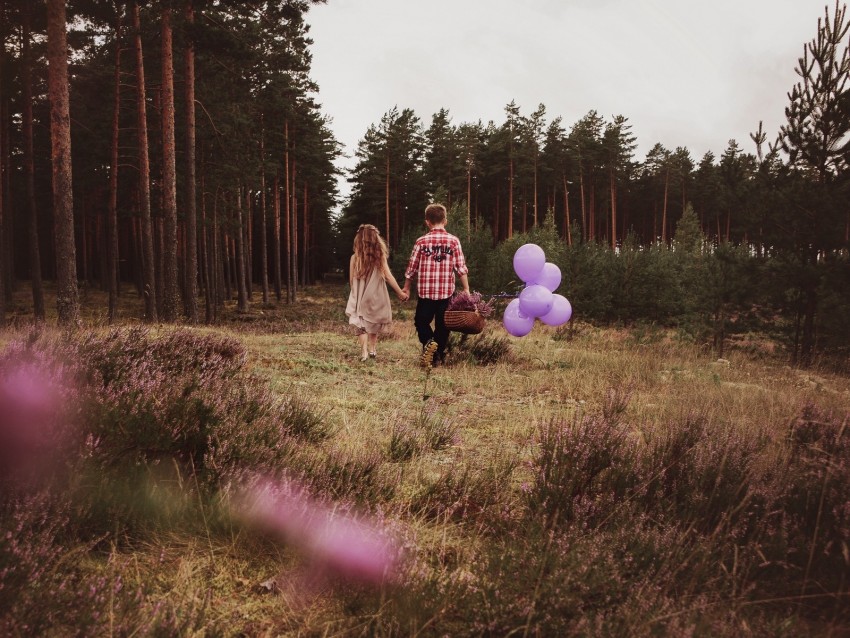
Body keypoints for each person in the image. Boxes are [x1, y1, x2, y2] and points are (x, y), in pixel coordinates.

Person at [402, 203, 470, 367]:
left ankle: (429, 345)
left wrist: (406, 287)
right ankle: (437, 355)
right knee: (443, 325)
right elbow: (460, 267)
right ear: (445, 220)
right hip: (446, 293)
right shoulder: (453, 241)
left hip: (425, 293)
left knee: (421, 322)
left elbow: (412, 267)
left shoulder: (421, 242)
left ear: (427, 222)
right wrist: (466, 289)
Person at [345, 224, 408, 361]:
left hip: (359, 294)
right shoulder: (380, 257)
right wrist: (400, 293)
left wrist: (355, 292)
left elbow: (351, 280)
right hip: (376, 294)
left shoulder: (354, 258)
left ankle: (364, 352)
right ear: (375, 239)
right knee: (374, 321)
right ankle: (373, 349)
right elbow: (388, 276)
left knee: (360, 323)